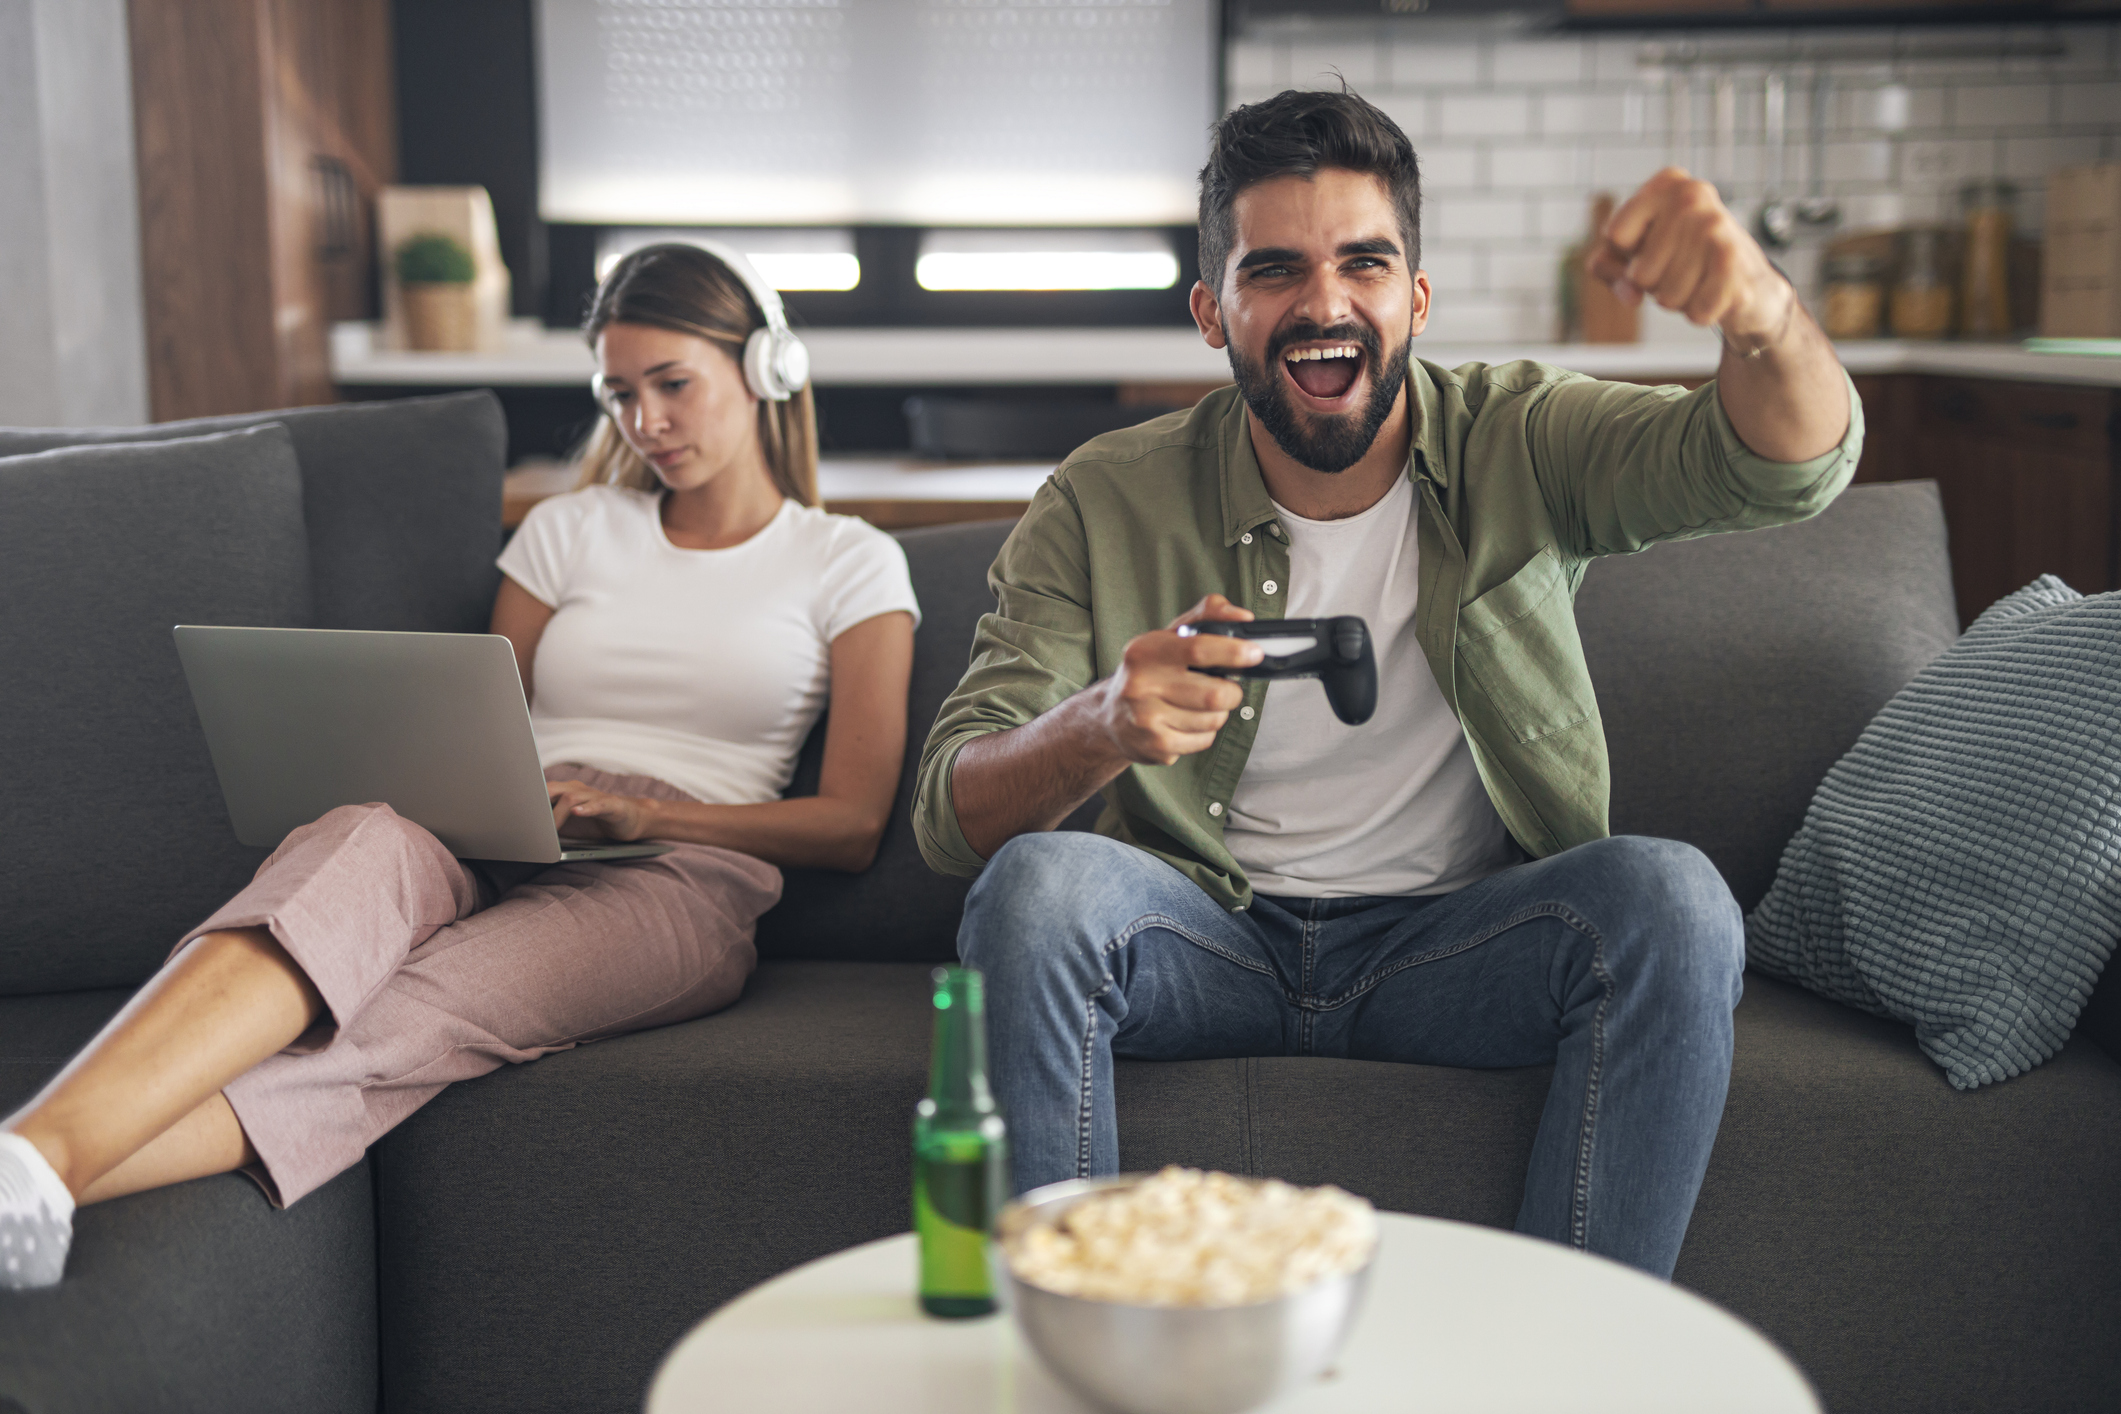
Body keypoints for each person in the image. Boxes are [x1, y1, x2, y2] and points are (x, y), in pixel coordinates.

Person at [912, 90, 1861, 1279]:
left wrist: (1761, 311)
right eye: (1275, 271)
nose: (1325, 303)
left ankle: (1578, 1367)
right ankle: (1087, 1349)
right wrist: (1098, 724)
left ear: (1416, 295)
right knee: (1037, 891)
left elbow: (1788, 470)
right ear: (1213, 311)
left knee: (1673, 897)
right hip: (1203, 938)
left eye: (1365, 261)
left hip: (1455, 947)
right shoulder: (1104, 496)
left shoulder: (1523, 437)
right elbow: (955, 819)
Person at [0, 243, 919, 1291]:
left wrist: (639, 812)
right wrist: (492, 794)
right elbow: (476, 712)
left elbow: (850, 822)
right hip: (513, 818)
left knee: (412, 1008)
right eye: (620, 394)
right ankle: (23, 1160)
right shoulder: (568, 531)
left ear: (764, 370)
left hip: (680, 874)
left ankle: (49, 1170)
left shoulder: (847, 560)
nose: (646, 422)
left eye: (673, 384)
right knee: (339, 857)